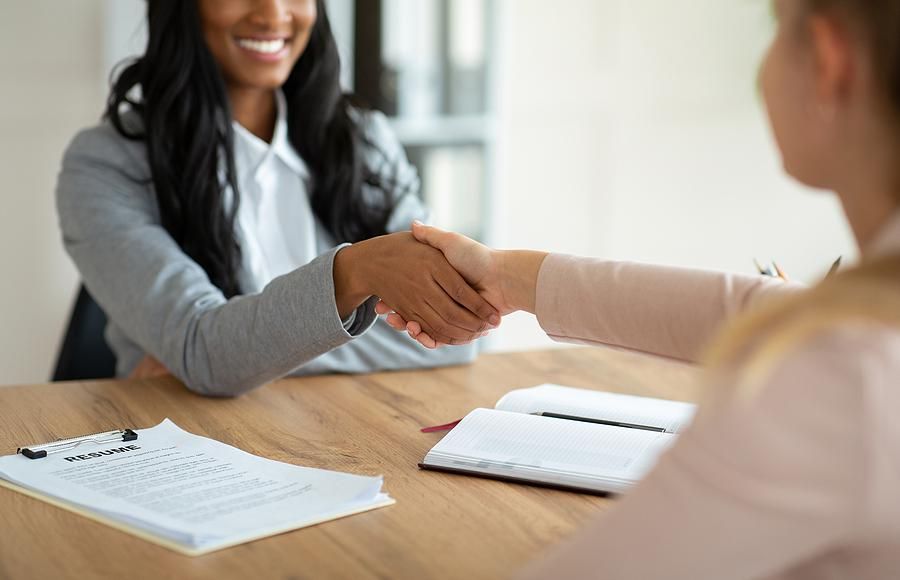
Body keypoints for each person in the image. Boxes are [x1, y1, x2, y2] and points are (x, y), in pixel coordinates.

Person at [382, 0, 900, 577]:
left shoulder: (844, 379)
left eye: (777, 27)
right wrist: (507, 277)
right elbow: (763, 310)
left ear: (830, 63)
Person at [55, 0, 499, 396]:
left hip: (349, 431)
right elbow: (206, 351)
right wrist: (355, 274)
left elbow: (453, 335)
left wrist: (233, 359)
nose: (272, 13)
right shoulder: (105, 165)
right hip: (194, 449)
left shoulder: (365, 140)